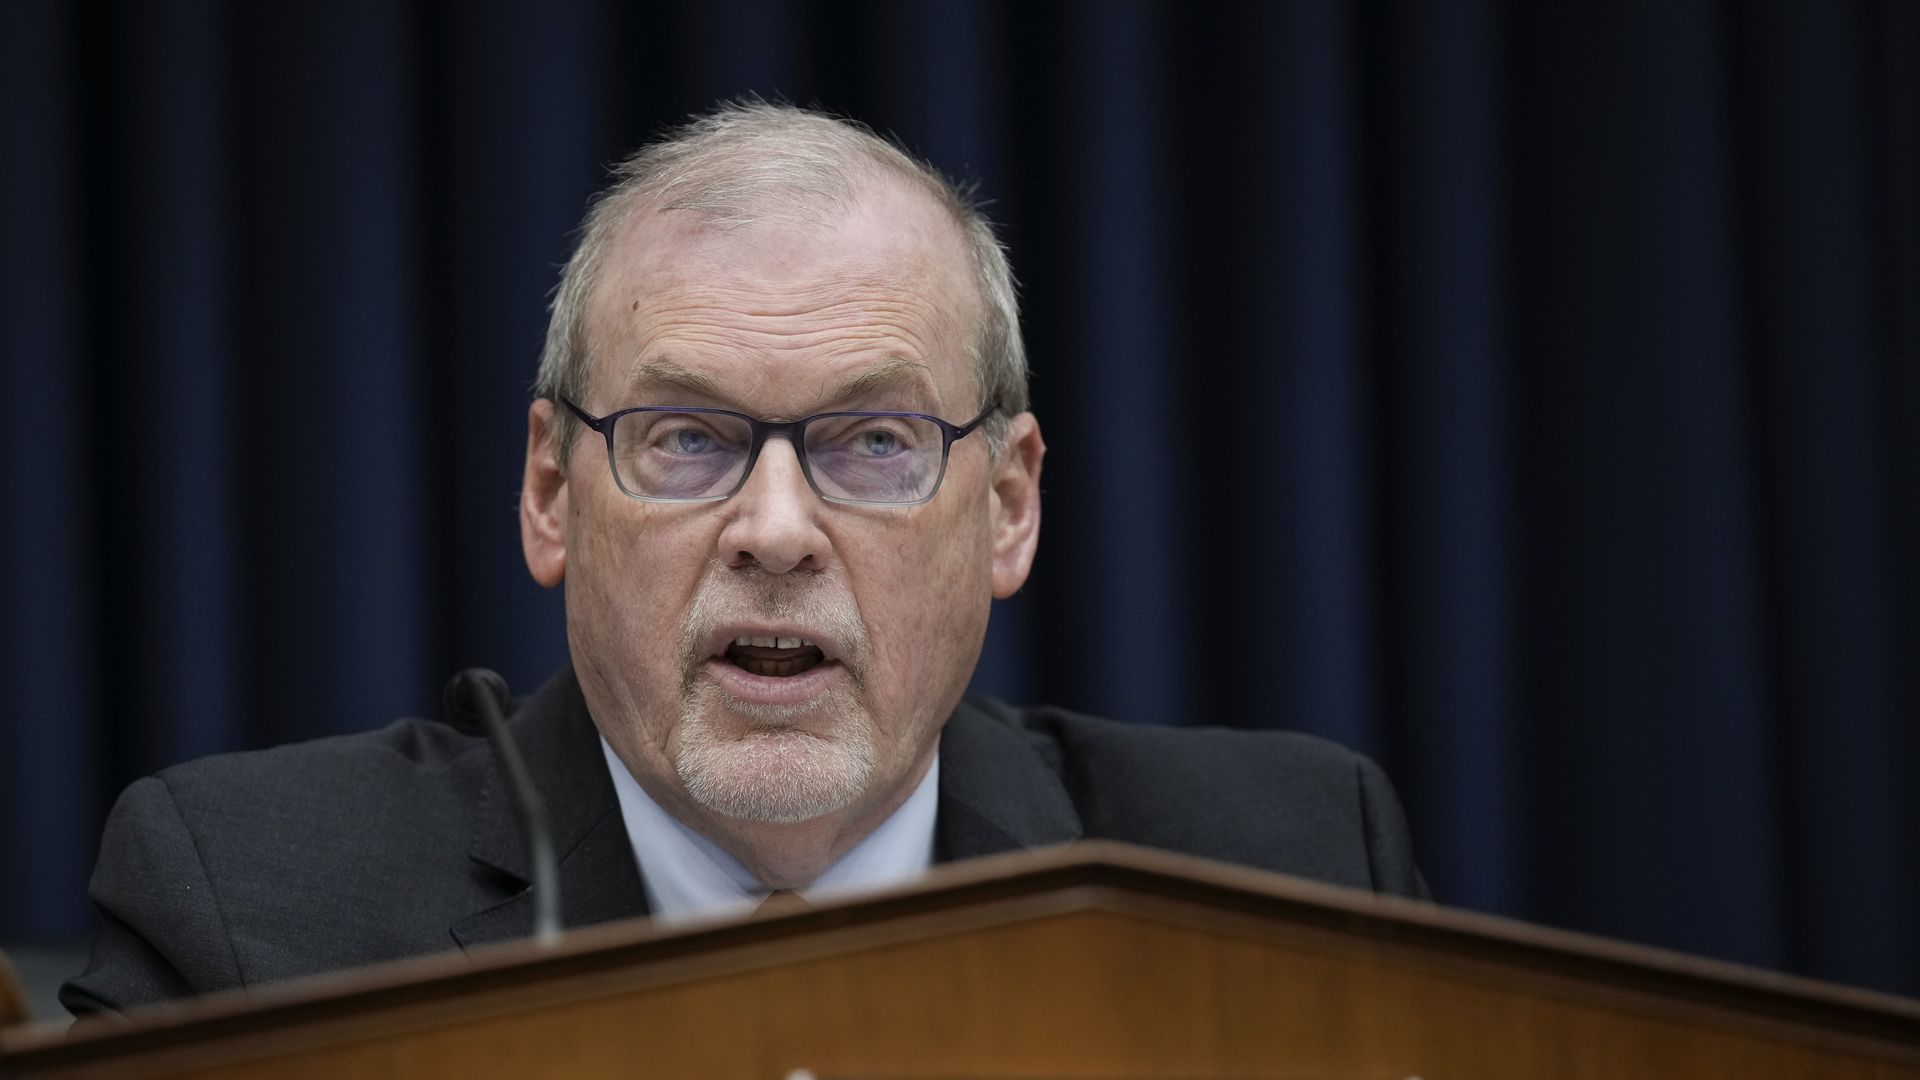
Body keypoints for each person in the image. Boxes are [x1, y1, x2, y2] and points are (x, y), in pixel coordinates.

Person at [62, 102, 1426, 1016]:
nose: (775, 530)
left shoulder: (1286, 881)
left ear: (1008, 506)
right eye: (686, 437)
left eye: (876, 442)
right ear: (551, 492)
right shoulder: (250, 918)